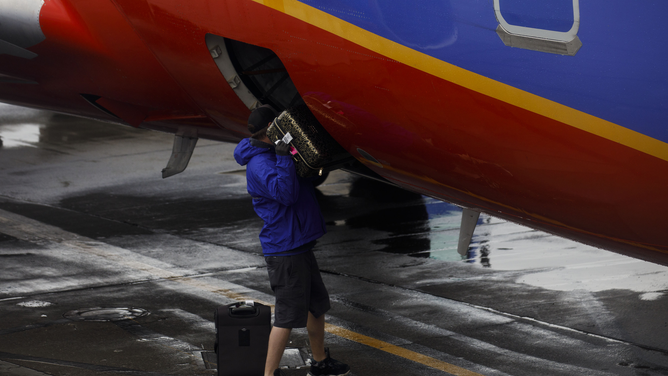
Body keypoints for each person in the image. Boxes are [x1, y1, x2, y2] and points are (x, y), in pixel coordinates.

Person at [233, 105, 350, 376]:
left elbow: (303, 181)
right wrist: (286, 159)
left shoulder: (272, 153)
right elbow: (285, 195)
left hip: (299, 243)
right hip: (285, 250)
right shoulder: (260, 164)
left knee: (317, 305)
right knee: (286, 317)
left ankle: (320, 362)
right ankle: (269, 373)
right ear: (269, 132)